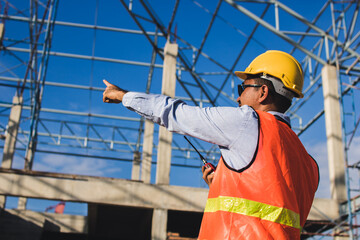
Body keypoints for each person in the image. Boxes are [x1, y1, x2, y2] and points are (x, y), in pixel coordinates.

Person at [103, 50, 319, 239]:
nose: (238, 98)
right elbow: (272, 209)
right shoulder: (310, 165)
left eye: (243, 88)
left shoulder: (249, 122)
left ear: (262, 92)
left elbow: (175, 114)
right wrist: (221, 183)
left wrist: (123, 96)